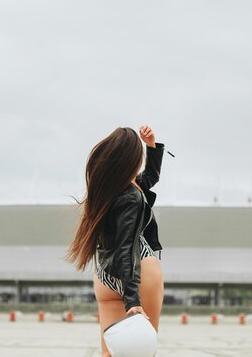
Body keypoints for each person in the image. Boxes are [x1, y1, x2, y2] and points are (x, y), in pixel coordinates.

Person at [66, 125, 165, 357]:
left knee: (109, 353)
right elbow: (127, 246)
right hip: (138, 273)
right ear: (131, 160)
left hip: (104, 276)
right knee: (140, 352)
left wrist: (151, 147)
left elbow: (150, 177)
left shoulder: (107, 191)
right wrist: (132, 299)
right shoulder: (130, 195)